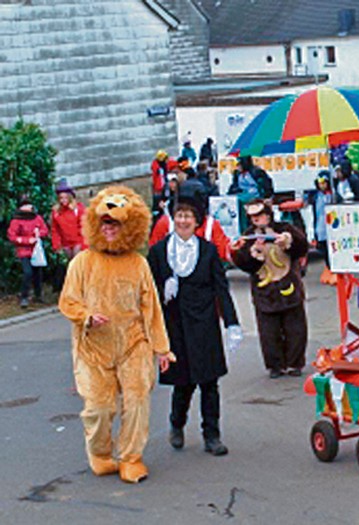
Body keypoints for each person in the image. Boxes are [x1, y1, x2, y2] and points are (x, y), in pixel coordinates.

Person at [58, 186, 175, 483]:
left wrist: (161, 348)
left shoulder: (139, 264)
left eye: (116, 223)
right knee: (99, 408)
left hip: (133, 344)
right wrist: (85, 317)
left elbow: (151, 309)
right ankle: (100, 455)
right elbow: (68, 301)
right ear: (96, 224)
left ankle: (132, 458)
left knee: (137, 402)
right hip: (93, 349)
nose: (109, 229)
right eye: (105, 223)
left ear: (129, 226)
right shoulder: (82, 262)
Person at [147, 197, 242, 456]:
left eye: (189, 216)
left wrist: (232, 323)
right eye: (179, 215)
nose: (183, 220)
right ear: (172, 219)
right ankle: (176, 424)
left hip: (204, 323)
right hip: (175, 324)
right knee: (183, 382)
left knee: (209, 382)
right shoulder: (158, 252)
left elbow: (221, 288)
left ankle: (212, 435)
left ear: (197, 221)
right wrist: (162, 288)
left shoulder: (209, 250)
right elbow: (146, 292)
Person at [230, 199, 309, 379]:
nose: (257, 219)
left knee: (295, 328)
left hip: (288, 285)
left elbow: (302, 246)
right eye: (253, 217)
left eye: (260, 215)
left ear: (268, 214)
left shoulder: (284, 228)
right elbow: (243, 263)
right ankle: (275, 365)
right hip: (264, 291)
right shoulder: (248, 236)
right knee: (268, 332)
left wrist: (289, 242)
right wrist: (252, 255)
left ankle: (295, 362)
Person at [7, 196, 49, 308]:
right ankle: (24, 296)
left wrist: (39, 234)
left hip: (36, 251)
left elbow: (45, 229)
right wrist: (26, 240)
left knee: (38, 273)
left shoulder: (37, 218)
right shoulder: (16, 220)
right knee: (27, 272)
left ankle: (38, 295)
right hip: (24, 251)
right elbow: (12, 236)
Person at [228, 155, 274, 231]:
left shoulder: (256, 172)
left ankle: (246, 225)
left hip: (256, 195)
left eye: (239, 163)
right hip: (243, 194)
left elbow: (266, 185)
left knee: (243, 202)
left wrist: (267, 197)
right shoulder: (237, 174)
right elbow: (234, 186)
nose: (237, 166)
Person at [51, 178, 86, 258]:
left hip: (78, 241)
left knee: (77, 262)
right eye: (61, 198)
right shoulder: (56, 212)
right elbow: (55, 229)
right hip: (66, 243)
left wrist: (84, 243)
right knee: (71, 264)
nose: (63, 200)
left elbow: (83, 226)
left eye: (65, 198)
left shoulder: (78, 209)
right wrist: (56, 244)